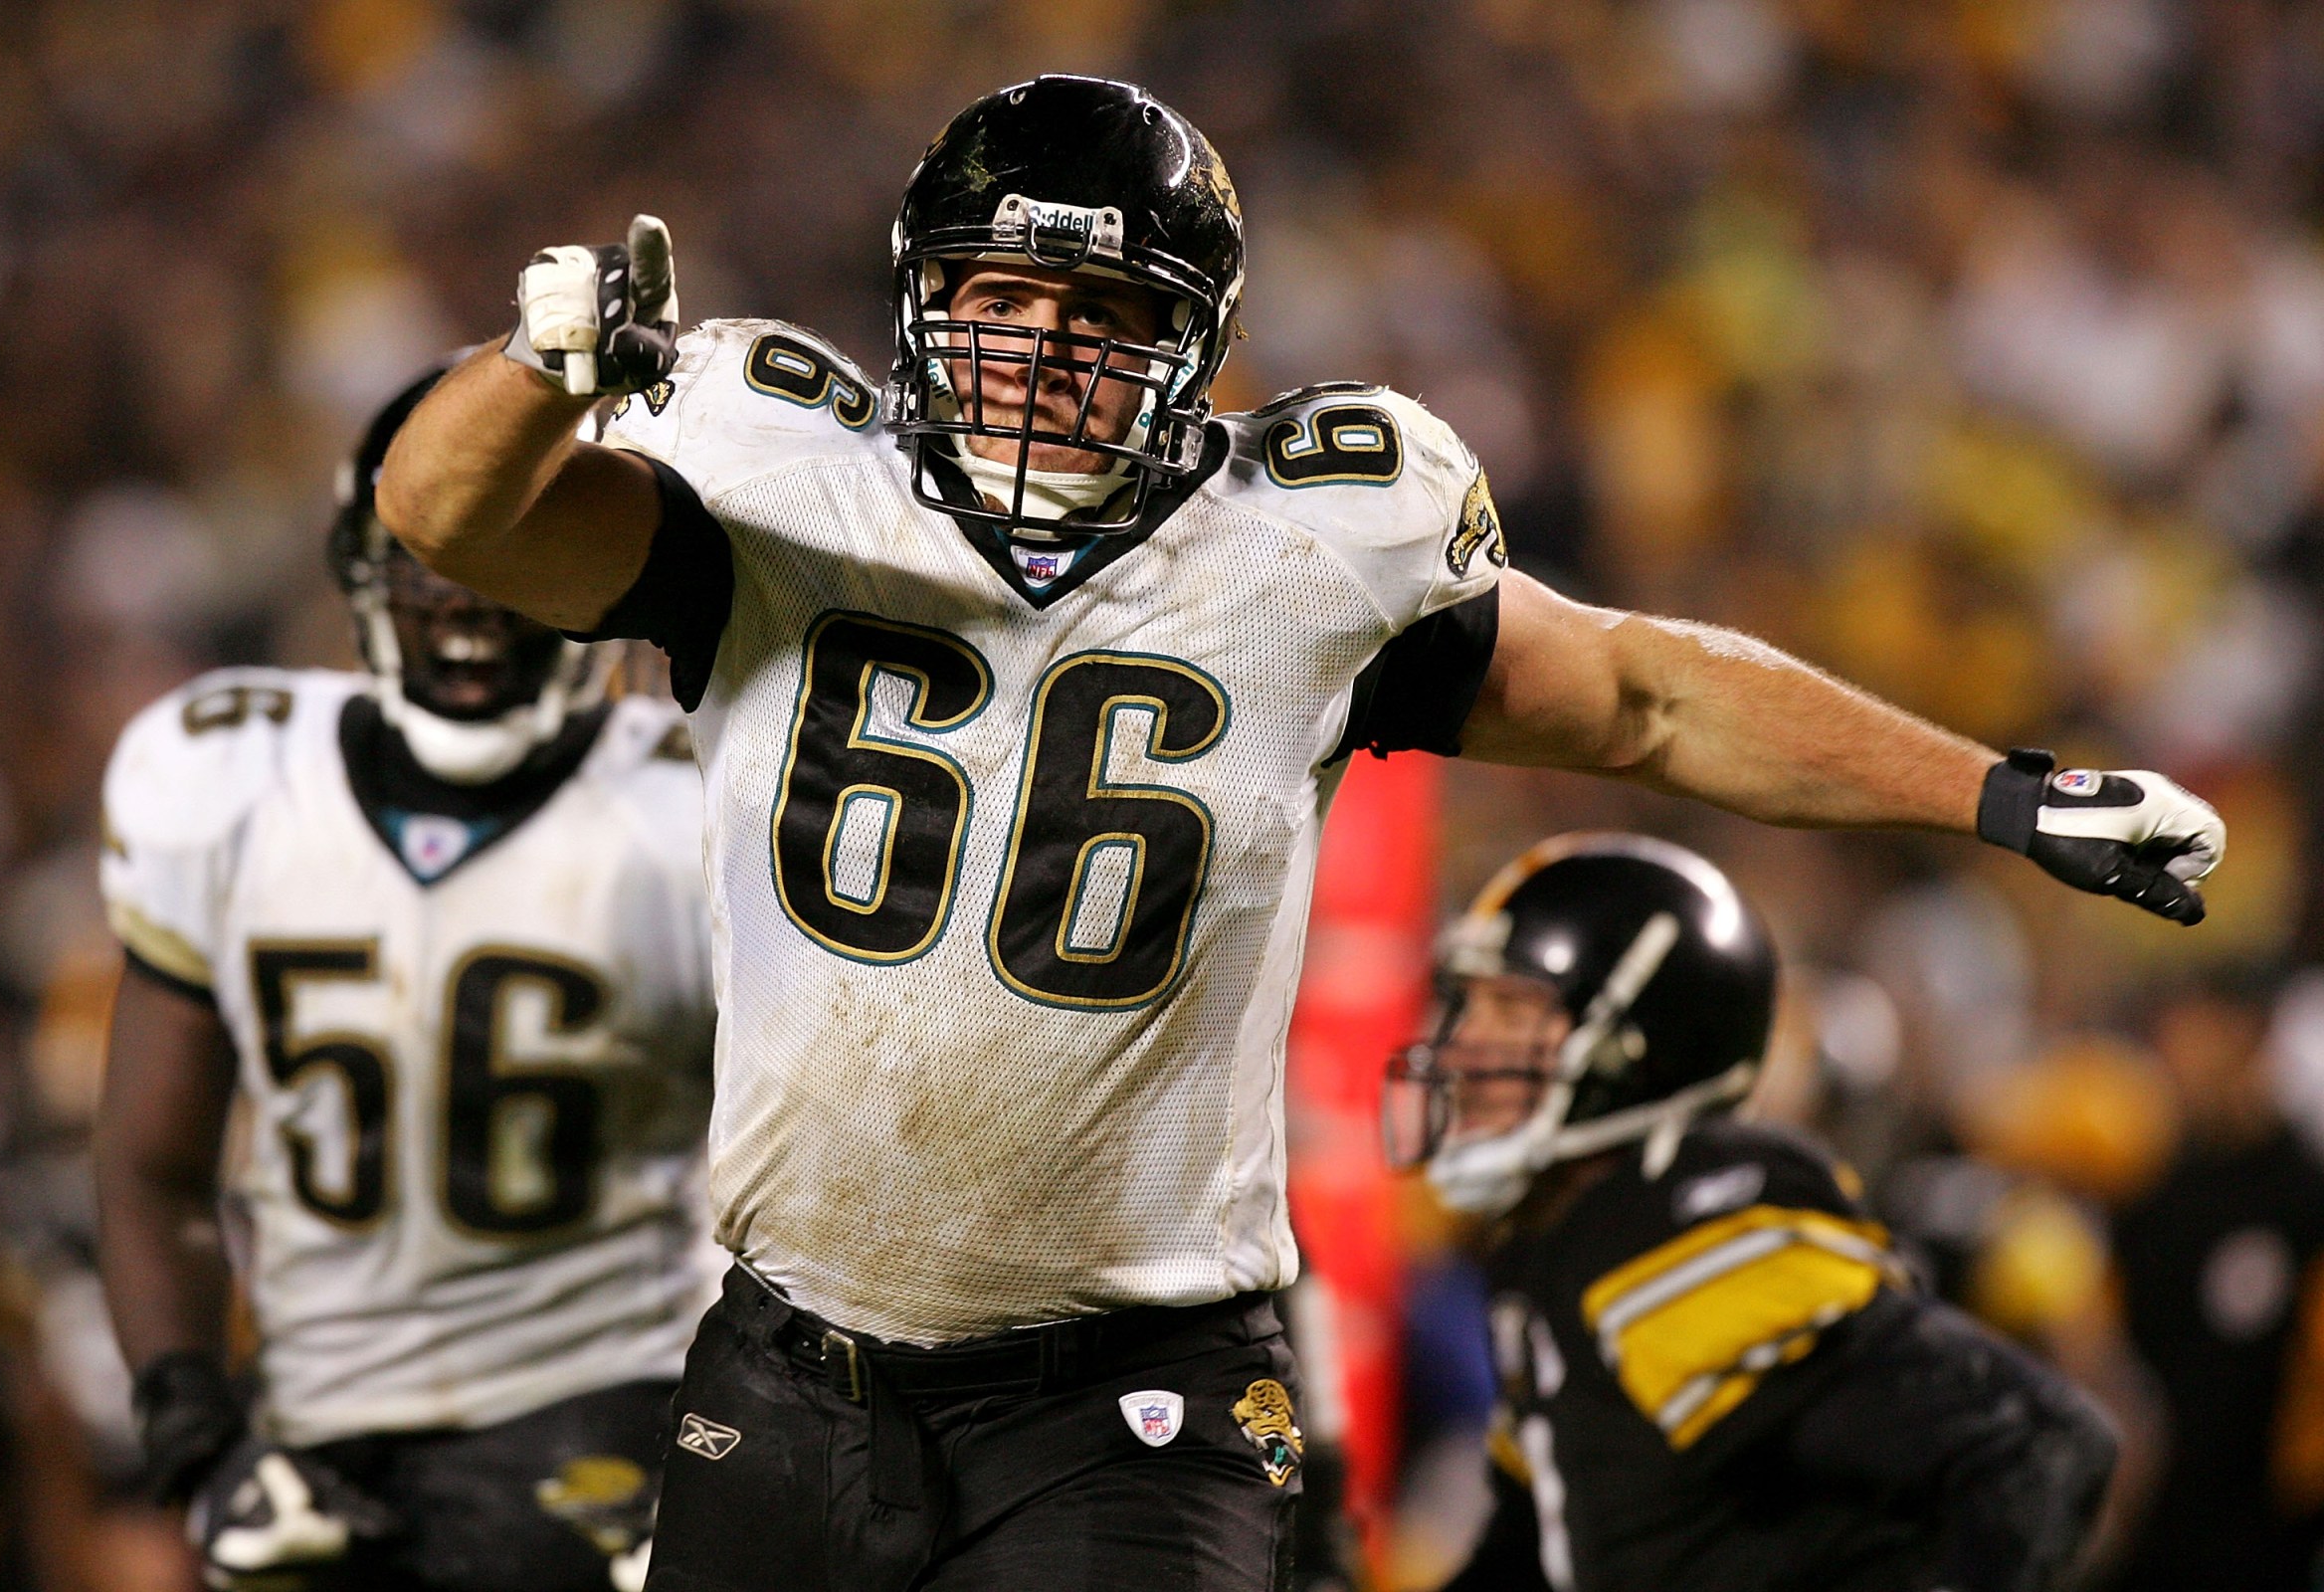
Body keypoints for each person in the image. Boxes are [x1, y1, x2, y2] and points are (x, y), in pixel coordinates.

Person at [370, 74, 2223, 1592]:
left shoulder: (1303, 549)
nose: (1038, 355)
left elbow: (1650, 695)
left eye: (1100, 319)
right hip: (788, 1357)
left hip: (1125, 1390)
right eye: (1003, 303)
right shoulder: (782, 496)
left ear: (1194, 348)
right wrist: (537, 367)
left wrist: (2000, 788)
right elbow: (452, 515)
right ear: (925, 307)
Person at [93, 366, 718, 1592]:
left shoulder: (691, 792)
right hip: (320, 1428)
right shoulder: (227, 776)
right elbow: (151, 1166)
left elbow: (802, 1174)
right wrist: (199, 1442)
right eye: (432, 555)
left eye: (509, 554)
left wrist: (737, 1447)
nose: (468, 604)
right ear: (357, 560)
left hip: (614, 1408)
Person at [1388, 834, 2119, 1592]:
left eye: (1510, 1010)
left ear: (1639, 1043)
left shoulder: (1706, 1237)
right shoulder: (1551, 1246)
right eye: (1468, 1006)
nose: (1464, 1044)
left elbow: (2042, 1447)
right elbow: (1540, 1548)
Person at [2105, 968, 2324, 1591]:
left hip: (2267, 1542)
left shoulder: (2304, 1200)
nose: (2176, 1055)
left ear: (2249, 1037)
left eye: (2195, 1033)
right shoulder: (2155, 1192)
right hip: (2157, 1535)